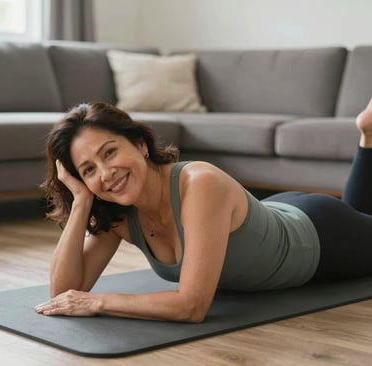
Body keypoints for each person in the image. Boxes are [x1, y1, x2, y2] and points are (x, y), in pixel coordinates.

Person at [35, 99, 372, 323]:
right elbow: (63, 293)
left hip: (323, 239)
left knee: (360, 219)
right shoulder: (118, 211)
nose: (106, 174)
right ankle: (368, 136)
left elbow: (191, 306)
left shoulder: (200, 183)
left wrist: (99, 302)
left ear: (139, 144)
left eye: (109, 153)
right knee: (359, 210)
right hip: (277, 214)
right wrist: (81, 202)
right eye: (89, 170)